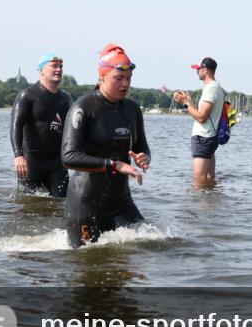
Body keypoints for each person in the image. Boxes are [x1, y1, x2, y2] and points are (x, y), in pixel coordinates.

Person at [62, 44, 150, 247]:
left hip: (121, 202)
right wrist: (115, 165)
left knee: (148, 245)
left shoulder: (132, 109)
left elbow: (142, 147)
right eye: (118, 78)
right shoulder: (83, 108)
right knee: (85, 260)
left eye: (128, 79)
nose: (125, 84)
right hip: (86, 203)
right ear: (102, 76)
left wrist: (143, 158)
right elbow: (68, 157)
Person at [9, 54, 72, 197]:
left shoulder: (66, 99)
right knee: (28, 204)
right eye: (54, 66)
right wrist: (18, 155)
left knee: (61, 203)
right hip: (31, 163)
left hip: (57, 164)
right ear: (41, 70)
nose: (59, 69)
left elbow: (73, 131)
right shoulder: (27, 96)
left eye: (61, 66)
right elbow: (16, 126)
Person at [174, 56, 225, 188]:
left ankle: (199, 202)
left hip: (203, 137)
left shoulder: (211, 88)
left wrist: (185, 103)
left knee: (199, 179)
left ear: (205, 70)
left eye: (198, 69)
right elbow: (203, 114)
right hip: (210, 137)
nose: (196, 72)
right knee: (209, 178)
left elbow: (202, 117)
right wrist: (189, 102)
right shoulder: (216, 87)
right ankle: (210, 201)